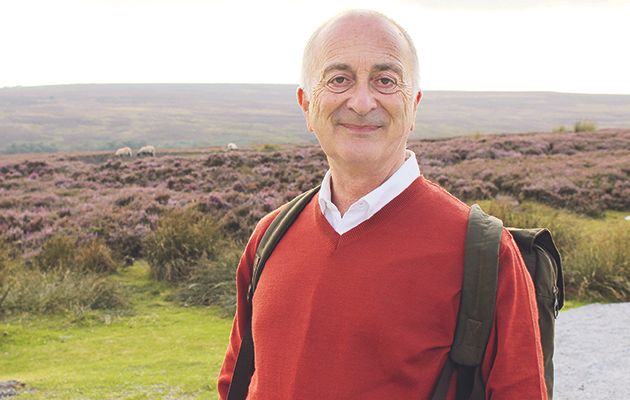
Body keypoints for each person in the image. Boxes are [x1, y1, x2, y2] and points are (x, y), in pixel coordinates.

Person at [218, 9, 547, 399]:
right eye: (339, 79)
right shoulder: (269, 237)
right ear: (306, 105)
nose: (361, 101)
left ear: (414, 106)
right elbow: (235, 385)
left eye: (385, 80)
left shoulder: (485, 253)